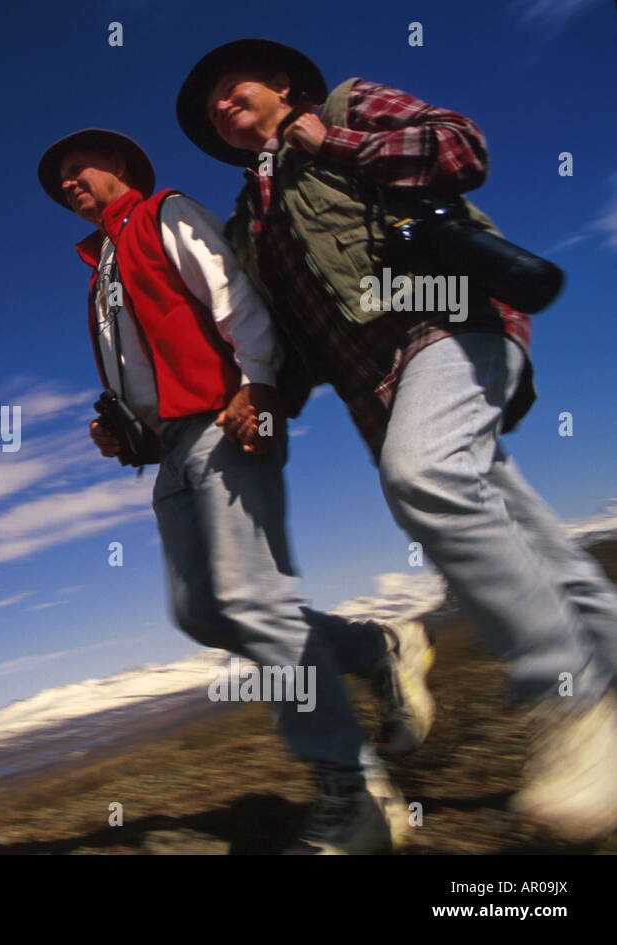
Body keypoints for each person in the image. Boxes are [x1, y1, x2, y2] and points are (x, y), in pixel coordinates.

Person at [176, 38, 617, 843]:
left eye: (229, 88)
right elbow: (296, 341)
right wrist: (255, 400)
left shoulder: (347, 107)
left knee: (427, 480)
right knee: (534, 542)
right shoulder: (252, 222)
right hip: (383, 395)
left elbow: (461, 147)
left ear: (280, 84)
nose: (218, 106)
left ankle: (572, 704)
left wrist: (333, 142)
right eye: (208, 110)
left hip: (454, 329)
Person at [37, 127, 435, 853]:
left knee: (254, 601)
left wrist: (256, 380)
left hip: (228, 417)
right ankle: (376, 647)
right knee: (203, 612)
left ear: (119, 164)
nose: (67, 182)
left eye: (76, 167)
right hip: (171, 450)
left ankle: (352, 789)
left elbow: (231, 290)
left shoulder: (166, 212)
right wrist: (131, 431)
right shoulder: (102, 266)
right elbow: (149, 364)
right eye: (58, 178)